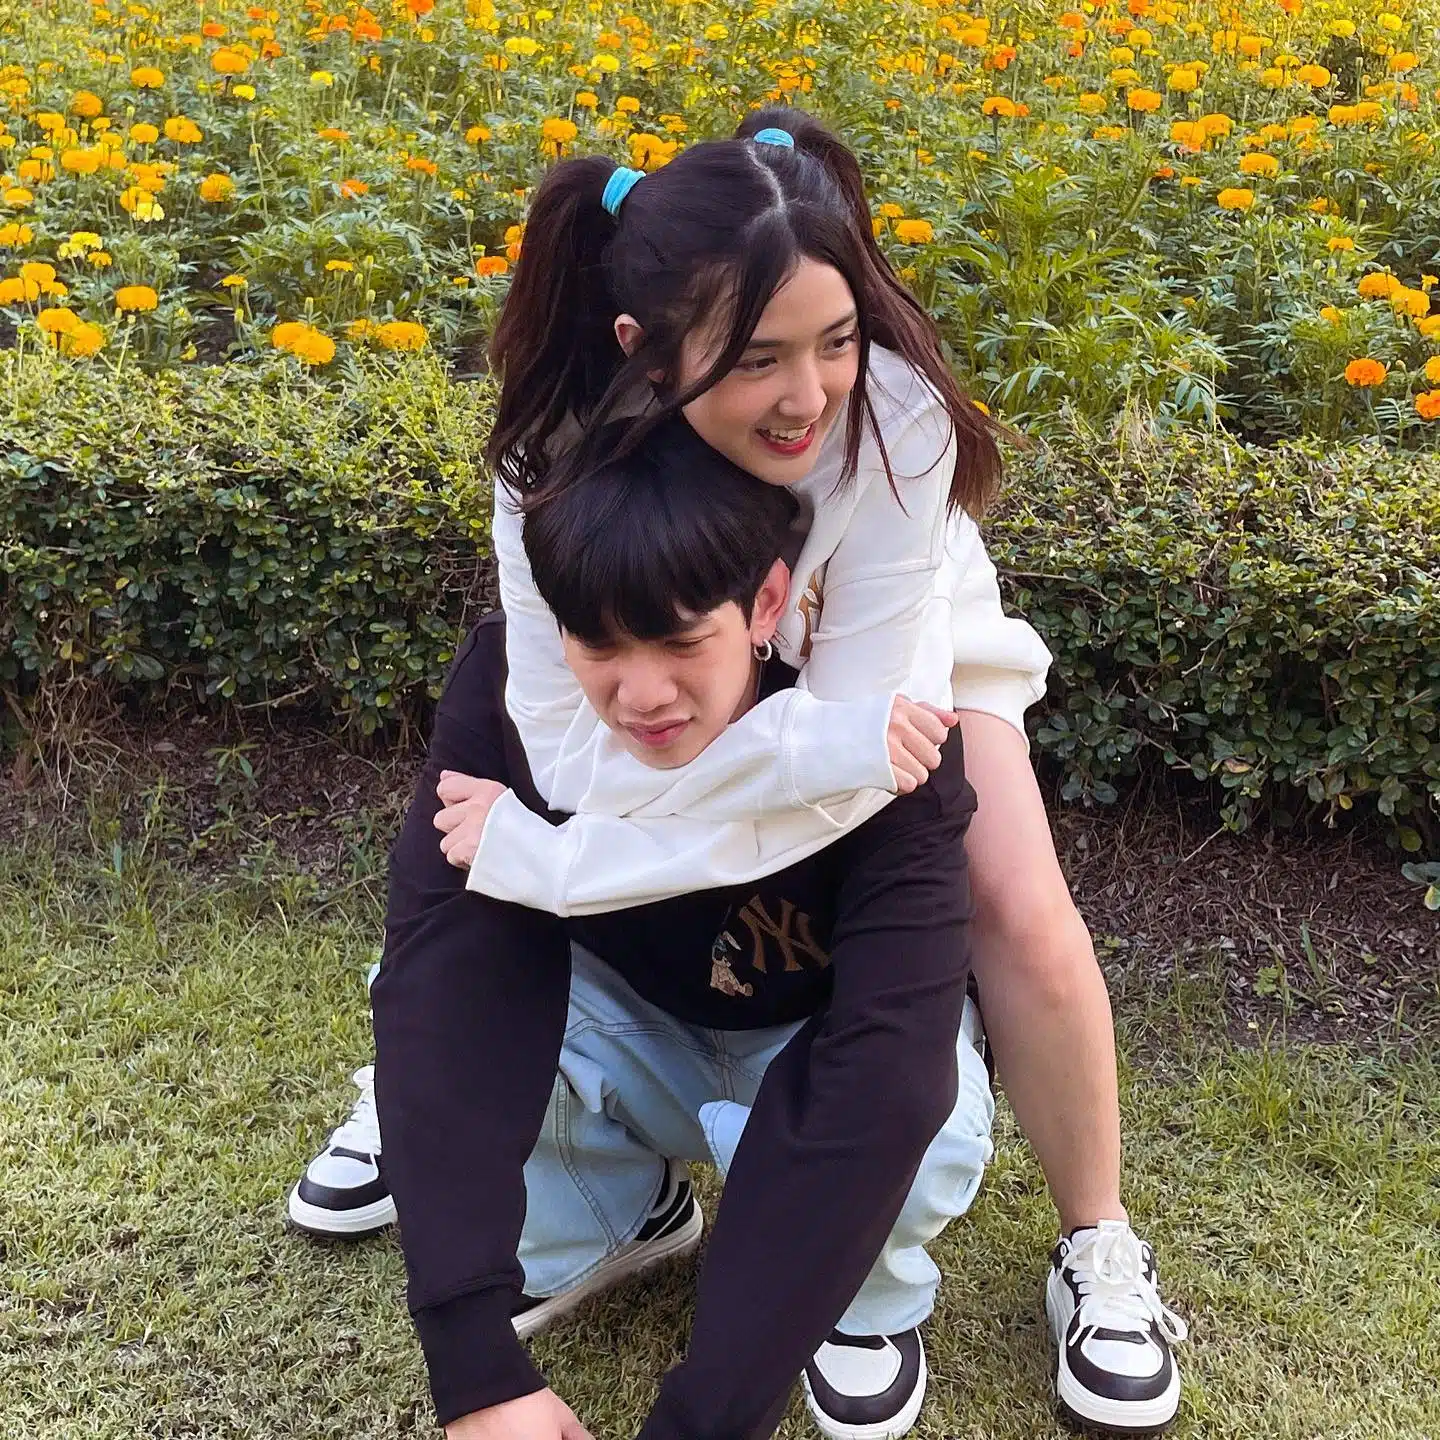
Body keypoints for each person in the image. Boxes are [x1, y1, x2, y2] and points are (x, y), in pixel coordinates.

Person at [290, 107, 1187, 1433]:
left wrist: (558, 857)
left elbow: (843, 758)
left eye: (836, 340)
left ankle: (1096, 1238)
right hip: (695, 597)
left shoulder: (894, 427)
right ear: (646, 355)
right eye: (760, 355)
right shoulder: (565, 464)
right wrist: (549, 834)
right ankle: (484, 1125)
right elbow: (567, 757)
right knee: (524, 823)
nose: (808, 392)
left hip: (887, 617)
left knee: (1000, 891)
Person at [374, 414, 994, 1440]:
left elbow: (888, 1060)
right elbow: (447, 966)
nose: (643, 694)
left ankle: (852, 1299)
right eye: (599, 645)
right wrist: (471, 1360)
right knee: (420, 1009)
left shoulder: (885, 724)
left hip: (809, 1036)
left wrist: (705, 1421)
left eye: (679, 640)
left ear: (766, 604)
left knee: (928, 1121)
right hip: (634, 1019)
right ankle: (618, 1209)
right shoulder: (515, 685)